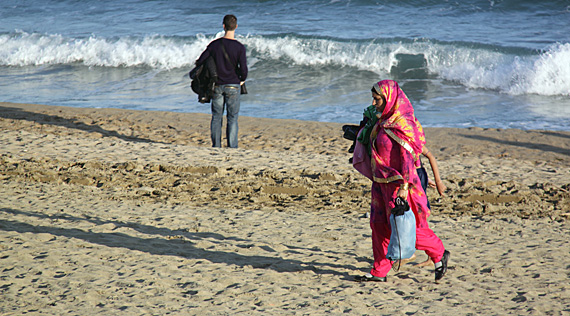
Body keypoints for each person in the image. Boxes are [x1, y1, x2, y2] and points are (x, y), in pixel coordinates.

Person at [352, 80, 449, 282]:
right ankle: (379, 272)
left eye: (377, 99)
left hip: (399, 185)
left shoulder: (402, 125)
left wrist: (405, 186)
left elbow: (407, 158)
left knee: (404, 228)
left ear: (389, 98)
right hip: (380, 182)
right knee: (378, 225)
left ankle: (439, 253)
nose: (374, 102)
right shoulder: (381, 121)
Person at [196, 14, 248, 148]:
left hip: (217, 85)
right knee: (232, 118)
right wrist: (241, 80)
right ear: (236, 27)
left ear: (223, 26)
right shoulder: (239, 47)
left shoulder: (214, 45)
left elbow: (200, 61)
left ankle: (216, 146)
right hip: (233, 85)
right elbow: (244, 71)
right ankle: (232, 147)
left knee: (216, 117)